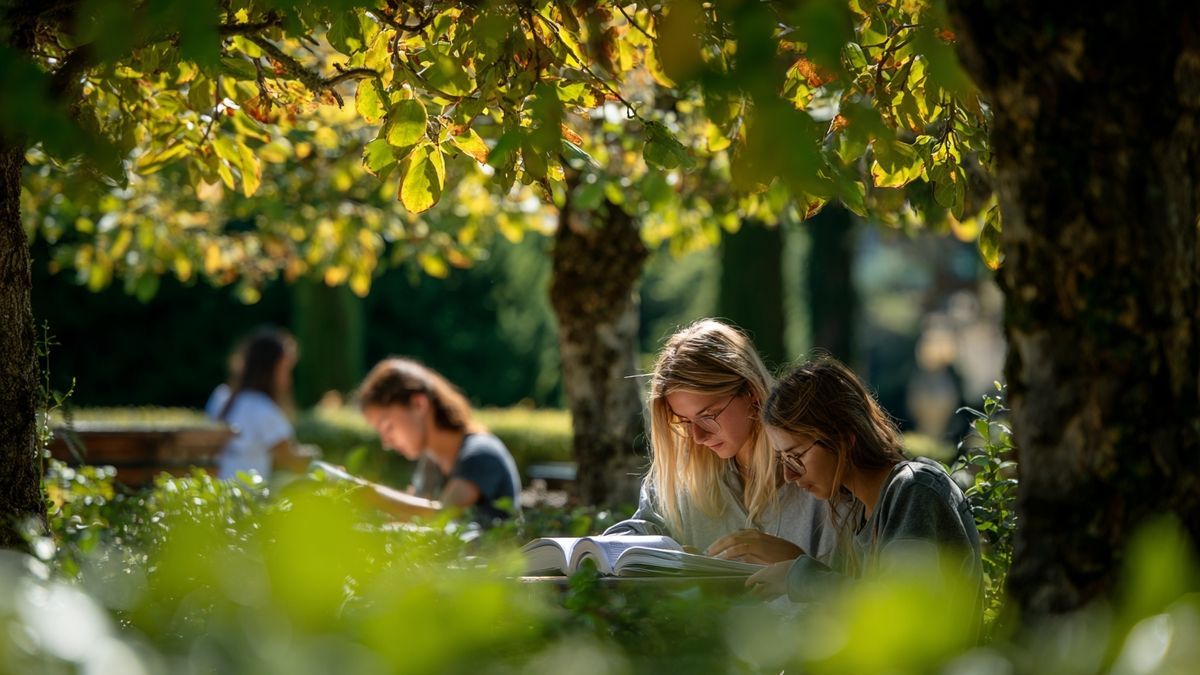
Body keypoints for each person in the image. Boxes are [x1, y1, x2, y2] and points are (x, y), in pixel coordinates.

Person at [745, 355, 982, 610]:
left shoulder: (913, 490)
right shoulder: (858, 513)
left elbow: (901, 612)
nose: (789, 476)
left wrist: (804, 577)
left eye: (796, 456)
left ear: (845, 438)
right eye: (783, 459)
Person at [605, 319, 835, 564]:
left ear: (751, 392)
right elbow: (636, 537)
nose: (698, 437)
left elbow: (860, 586)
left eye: (708, 416)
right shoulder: (680, 480)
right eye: (684, 421)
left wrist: (796, 564)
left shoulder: (816, 469)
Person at [354, 357, 521, 525]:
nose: (386, 443)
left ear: (419, 404)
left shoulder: (481, 454)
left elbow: (441, 518)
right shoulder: (430, 462)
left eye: (388, 427)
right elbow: (410, 517)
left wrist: (371, 495)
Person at [206, 327, 309, 480]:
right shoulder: (264, 410)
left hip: (215, 493)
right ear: (272, 369)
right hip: (245, 497)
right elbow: (292, 459)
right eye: (286, 369)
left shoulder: (221, 397)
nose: (289, 378)